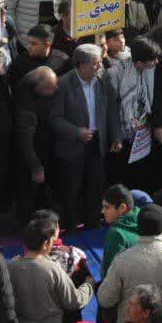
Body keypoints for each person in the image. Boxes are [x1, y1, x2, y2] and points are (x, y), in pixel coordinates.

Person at [51, 43, 123, 231]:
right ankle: (70, 228)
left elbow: (112, 110)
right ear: (81, 65)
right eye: (95, 63)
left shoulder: (103, 81)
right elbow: (55, 118)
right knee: (71, 189)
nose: (100, 66)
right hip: (72, 146)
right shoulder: (63, 84)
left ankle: (92, 225)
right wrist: (76, 132)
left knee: (95, 187)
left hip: (97, 144)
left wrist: (116, 137)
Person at [6, 215, 95, 323]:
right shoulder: (53, 269)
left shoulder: (11, 267)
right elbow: (74, 301)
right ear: (45, 244)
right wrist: (88, 285)